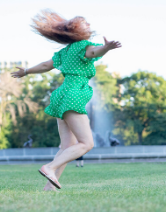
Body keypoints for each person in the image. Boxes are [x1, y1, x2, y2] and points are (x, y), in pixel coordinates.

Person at [11, 10, 121, 191]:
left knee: (66, 146)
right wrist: (106, 48)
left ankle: (49, 187)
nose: (89, 25)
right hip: (73, 96)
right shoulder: (83, 46)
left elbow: (46, 65)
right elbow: (94, 52)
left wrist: (26, 71)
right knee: (86, 143)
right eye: (85, 23)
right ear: (77, 30)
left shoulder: (65, 51)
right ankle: (50, 167)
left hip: (61, 95)